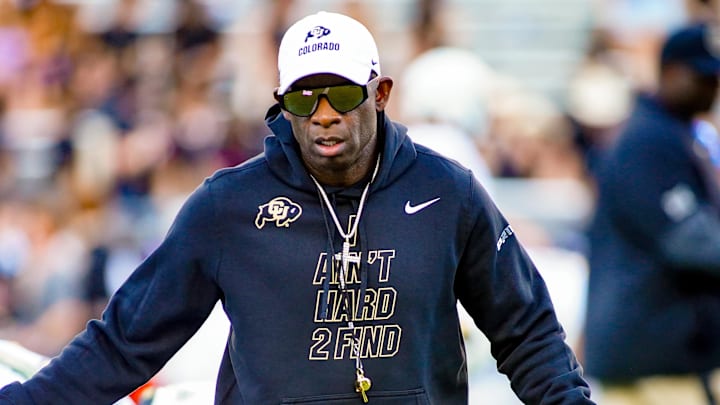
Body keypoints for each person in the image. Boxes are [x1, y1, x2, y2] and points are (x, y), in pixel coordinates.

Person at [0, 11, 593, 404]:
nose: (324, 112)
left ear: (379, 93)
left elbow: (527, 332)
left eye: (341, 92)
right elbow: (126, 342)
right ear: (282, 104)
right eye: (305, 96)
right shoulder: (227, 207)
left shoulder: (449, 192)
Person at [583, 22, 720, 405]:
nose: (713, 87)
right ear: (672, 72)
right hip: (650, 353)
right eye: (703, 77)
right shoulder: (648, 141)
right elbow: (691, 241)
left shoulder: (673, 134)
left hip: (665, 351)